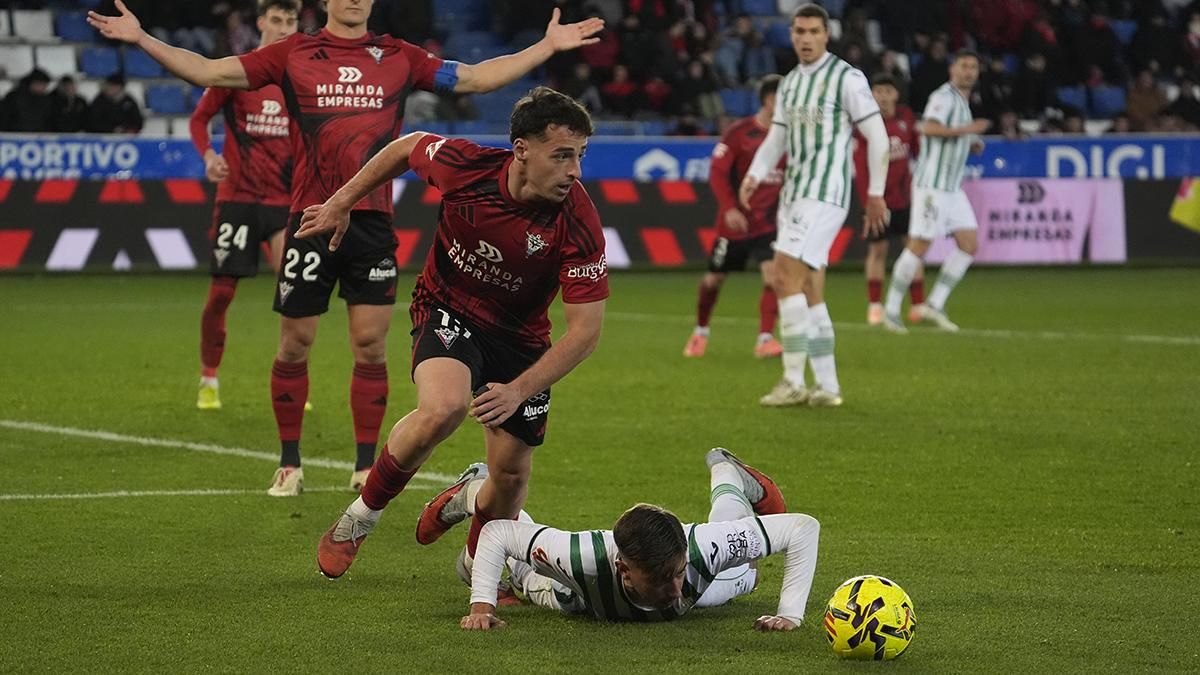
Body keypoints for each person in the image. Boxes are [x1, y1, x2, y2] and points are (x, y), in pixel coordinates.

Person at [88, 0, 605, 496]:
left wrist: (545, 46)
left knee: (370, 345)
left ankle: (363, 467)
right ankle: (289, 462)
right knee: (294, 344)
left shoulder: (401, 57)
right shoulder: (291, 53)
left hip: (372, 222)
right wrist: (141, 39)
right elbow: (207, 71)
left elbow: (475, 77)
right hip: (311, 216)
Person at [298, 88, 608, 582]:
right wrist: (342, 202)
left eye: (580, 157)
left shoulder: (578, 222)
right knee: (443, 408)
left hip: (521, 342)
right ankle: (359, 518)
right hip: (448, 307)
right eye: (563, 156)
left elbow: (586, 332)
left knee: (509, 477)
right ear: (521, 150)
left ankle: (472, 548)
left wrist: (518, 388)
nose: (574, 171)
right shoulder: (468, 165)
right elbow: (407, 146)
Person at [459, 448, 820, 630]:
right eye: (662, 580)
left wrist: (788, 614)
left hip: (706, 563)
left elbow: (802, 528)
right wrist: (482, 606)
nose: (675, 589)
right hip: (578, 597)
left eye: (677, 573)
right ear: (624, 569)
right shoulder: (581, 555)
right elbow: (498, 532)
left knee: (748, 573)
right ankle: (477, 488)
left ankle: (728, 474)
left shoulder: (701, 549)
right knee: (527, 578)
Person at [739, 3, 890, 408]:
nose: (805, 39)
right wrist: (755, 173)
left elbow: (877, 136)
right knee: (808, 288)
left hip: (825, 193)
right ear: (792, 36)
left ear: (826, 35)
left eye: (813, 32)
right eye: (799, 32)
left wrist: (876, 192)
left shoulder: (847, 78)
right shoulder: (789, 84)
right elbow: (777, 138)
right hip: (794, 194)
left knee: (784, 278)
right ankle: (828, 387)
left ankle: (792, 380)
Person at [188, 0, 299, 413]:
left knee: (295, 293)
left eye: (290, 20)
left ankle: (292, 377)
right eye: (277, 19)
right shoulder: (238, 73)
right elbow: (199, 120)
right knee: (220, 295)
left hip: (284, 202)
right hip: (237, 199)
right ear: (260, 23)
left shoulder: (303, 79)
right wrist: (209, 156)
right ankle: (208, 377)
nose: (284, 27)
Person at [882, 50, 990, 334]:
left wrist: (970, 141)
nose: (968, 71)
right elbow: (929, 128)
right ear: (952, 69)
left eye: (973, 67)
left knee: (969, 244)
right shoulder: (943, 97)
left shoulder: (963, 102)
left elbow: (952, 134)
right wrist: (967, 130)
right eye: (963, 65)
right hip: (932, 185)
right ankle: (891, 309)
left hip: (952, 188)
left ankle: (934, 303)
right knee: (919, 244)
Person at [683, 74, 785, 360]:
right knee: (714, 280)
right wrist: (729, 208)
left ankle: (765, 338)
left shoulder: (789, 135)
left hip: (770, 222)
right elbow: (717, 173)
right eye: (783, 98)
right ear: (768, 99)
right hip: (736, 223)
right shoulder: (739, 132)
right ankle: (701, 331)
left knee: (774, 278)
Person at [855, 74, 925, 327]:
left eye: (887, 91)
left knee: (914, 249)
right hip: (878, 201)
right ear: (871, 95)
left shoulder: (907, 117)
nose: (883, 96)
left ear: (896, 95)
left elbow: (917, 150)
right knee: (878, 250)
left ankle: (918, 305)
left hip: (904, 199)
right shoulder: (865, 125)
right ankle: (875, 306)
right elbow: (861, 168)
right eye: (878, 91)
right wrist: (868, 202)